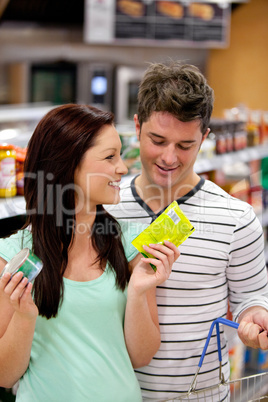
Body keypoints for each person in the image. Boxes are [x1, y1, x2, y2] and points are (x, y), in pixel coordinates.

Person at [106, 61, 268, 401]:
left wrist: (256, 322)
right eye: (158, 140)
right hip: (115, 393)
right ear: (136, 127)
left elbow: (251, 300)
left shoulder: (236, 218)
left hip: (201, 395)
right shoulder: (104, 208)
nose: (169, 157)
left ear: (205, 138)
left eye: (185, 145)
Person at [0, 104, 180, 402]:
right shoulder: (15, 255)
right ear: (67, 165)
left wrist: (137, 291)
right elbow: (5, 375)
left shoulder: (130, 244)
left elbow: (141, 355)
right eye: (110, 157)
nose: (122, 168)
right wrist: (24, 316)